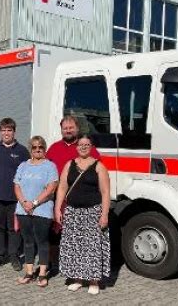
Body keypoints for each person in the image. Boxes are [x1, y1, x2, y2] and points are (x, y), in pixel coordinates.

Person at [54, 134, 111, 295]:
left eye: (86, 144)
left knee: (92, 247)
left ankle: (93, 281)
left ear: (91, 146)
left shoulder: (99, 166)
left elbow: (105, 192)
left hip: (93, 212)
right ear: (76, 146)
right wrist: (58, 208)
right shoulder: (69, 164)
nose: (83, 147)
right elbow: (62, 188)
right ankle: (78, 278)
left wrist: (104, 214)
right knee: (75, 246)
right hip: (72, 212)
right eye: (80, 144)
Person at [46, 115, 101, 269]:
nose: (68, 130)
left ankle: (76, 263)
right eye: (65, 128)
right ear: (61, 130)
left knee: (76, 233)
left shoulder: (86, 147)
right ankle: (53, 261)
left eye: (71, 128)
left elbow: (98, 172)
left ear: (77, 129)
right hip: (57, 196)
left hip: (79, 198)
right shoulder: (54, 148)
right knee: (54, 230)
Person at [14, 136, 58, 287]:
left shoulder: (50, 166)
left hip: (42, 210)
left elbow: (51, 187)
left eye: (40, 147)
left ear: (44, 149)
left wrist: (34, 203)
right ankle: (29, 273)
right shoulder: (23, 166)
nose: (37, 149)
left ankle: (42, 273)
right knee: (27, 242)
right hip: (23, 209)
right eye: (34, 147)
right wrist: (24, 203)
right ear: (30, 149)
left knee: (42, 241)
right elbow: (17, 186)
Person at [0, 118, 29, 271]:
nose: (6, 133)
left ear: (14, 132)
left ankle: (14, 256)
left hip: (15, 198)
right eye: (3, 130)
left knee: (14, 229)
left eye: (9, 130)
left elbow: (27, 174)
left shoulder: (22, 151)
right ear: (0, 131)